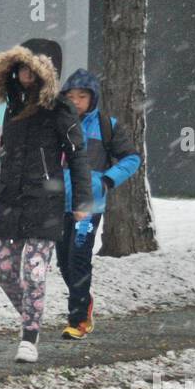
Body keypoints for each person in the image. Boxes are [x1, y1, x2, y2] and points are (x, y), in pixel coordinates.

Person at [0, 38, 93, 364]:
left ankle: (30, 336)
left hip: (46, 203)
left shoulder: (61, 109)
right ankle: (31, 313)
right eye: (20, 66)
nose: (25, 73)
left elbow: (78, 155)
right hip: (11, 199)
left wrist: (83, 199)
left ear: (44, 71)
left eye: (31, 67)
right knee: (6, 273)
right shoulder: (4, 106)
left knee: (35, 272)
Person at [55, 68, 141, 339]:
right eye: (71, 96)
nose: (76, 101)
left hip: (89, 207)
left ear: (93, 99)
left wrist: (106, 180)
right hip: (58, 205)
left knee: (79, 259)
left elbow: (131, 158)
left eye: (82, 96)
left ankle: (78, 320)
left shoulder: (107, 125)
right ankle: (84, 300)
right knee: (64, 262)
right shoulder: (57, 124)